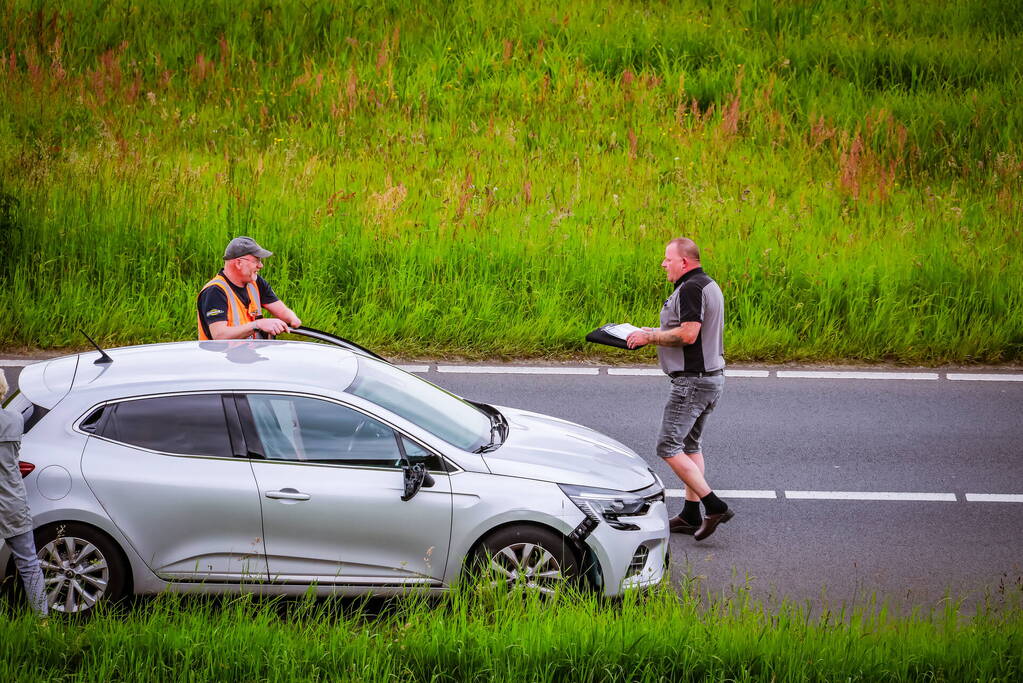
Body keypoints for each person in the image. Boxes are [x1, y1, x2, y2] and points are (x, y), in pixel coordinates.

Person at [627, 237, 733, 541]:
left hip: (693, 381)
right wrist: (652, 332)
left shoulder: (690, 289)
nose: (663, 264)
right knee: (690, 446)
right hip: (710, 377)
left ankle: (714, 506)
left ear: (684, 262)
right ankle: (689, 514)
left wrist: (650, 338)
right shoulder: (707, 284)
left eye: (667, 259)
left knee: (667, 446)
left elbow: (688, 335)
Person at [0, 371, 49, 617]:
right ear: (4, 390)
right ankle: (42, 620)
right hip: (12, 501)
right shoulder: (15, 419)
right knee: (29, 563)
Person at [197, 236, 301, 340]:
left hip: (251, 354)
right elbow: (220, 335)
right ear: (238, 263)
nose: (261, 265)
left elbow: (281, 311)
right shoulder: (215, 291)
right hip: (222, 356)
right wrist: (258, 325)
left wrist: (293, 319)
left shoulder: (255, 282)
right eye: (256, 260)